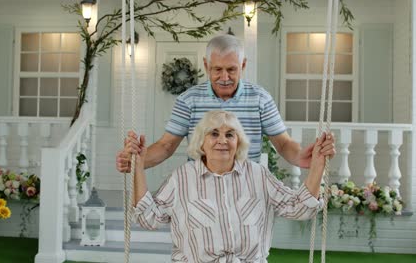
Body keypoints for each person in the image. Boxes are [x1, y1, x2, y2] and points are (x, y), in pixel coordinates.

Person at [131, 110, 333, 262]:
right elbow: (148, 217)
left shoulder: (258, 175)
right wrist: (138, 167)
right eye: (214, 134)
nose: (222, 141)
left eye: (230, 134)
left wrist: (317, 165)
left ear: (239, 142)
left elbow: (301, 209)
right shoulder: (181, 179)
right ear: (201, 143)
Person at [116, 34, 334, 173]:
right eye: (217, 69)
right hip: (201, 188)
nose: (224, 77)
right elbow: (165, 146)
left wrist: (303, 157)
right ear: (206, 65)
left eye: (232, 69)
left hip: (246, 186)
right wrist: (137, 161)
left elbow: (284, 143)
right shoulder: (188, 100)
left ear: (243, 65)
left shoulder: (260, 98)